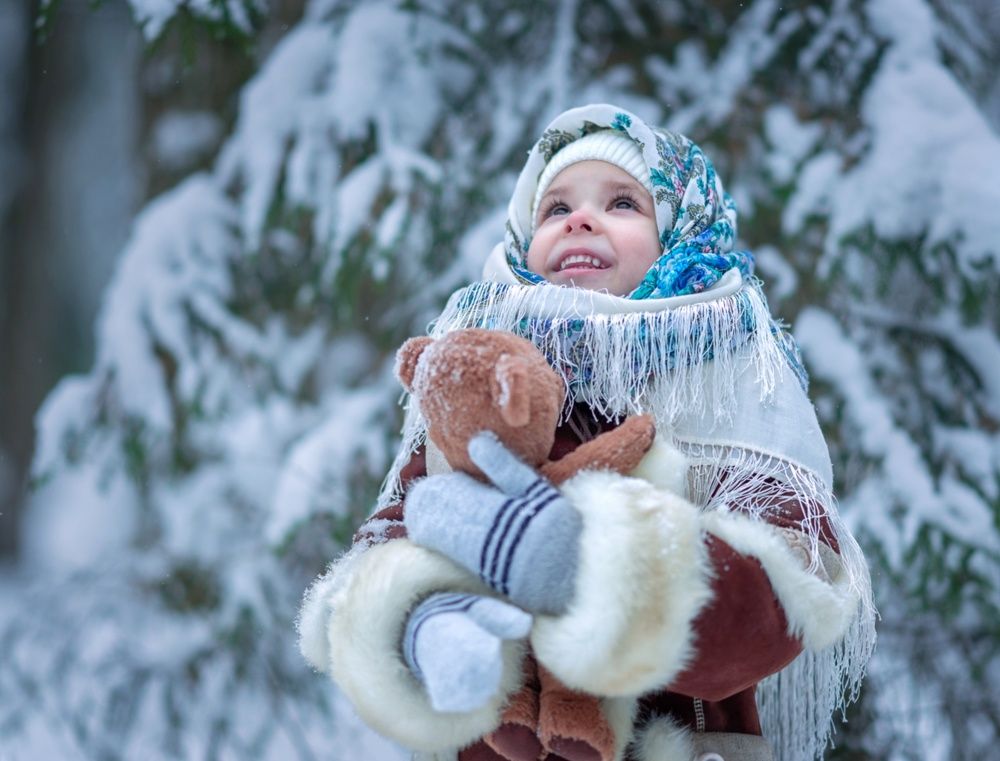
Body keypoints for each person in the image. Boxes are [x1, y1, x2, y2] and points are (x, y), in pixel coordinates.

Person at [298, 104, 875, 761]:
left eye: (623, 202)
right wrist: (418, 620)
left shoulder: (733, 374)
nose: (579, 218)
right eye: (555, 208)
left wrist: (582, 564)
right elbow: (379, 555)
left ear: (680, 234)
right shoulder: (481, 373)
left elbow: (784, 603)